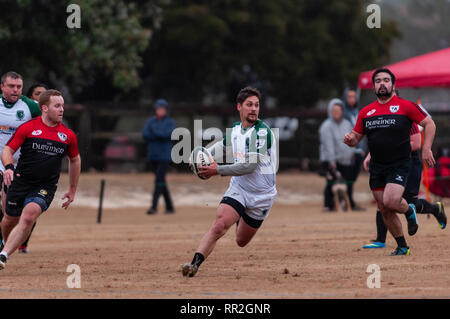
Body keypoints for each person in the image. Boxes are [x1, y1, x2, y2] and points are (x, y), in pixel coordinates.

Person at [181, 86, 277, 277]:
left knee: (241, 241)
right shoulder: (235, 129)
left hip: (262, 196)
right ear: (239, 107)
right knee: (219, 226)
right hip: (239, 188)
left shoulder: (262, 133)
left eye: (257, 105)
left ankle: (240, 214)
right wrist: (202, 155)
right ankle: (194, 265)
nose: (254, 109)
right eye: (249, 105)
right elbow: (222, 146)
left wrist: (217, 170)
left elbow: (248, 167)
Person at [344, 68, 436, 256]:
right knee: (384, 208)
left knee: (391, 200)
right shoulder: (366, 112)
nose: (382, 83)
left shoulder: (406, 106)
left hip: (399, 164)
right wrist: (350, 140)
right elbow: (356, 138)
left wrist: (426, 148)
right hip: (378, 166)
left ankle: (409, 213)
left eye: (386, 80)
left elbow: (430, 123)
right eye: (378, 81)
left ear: (393, 85)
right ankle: (402, 246)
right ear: (374, 86)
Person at [0, 89, 81, 269]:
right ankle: (5, 245)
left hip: (45, 186)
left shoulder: (67, 135)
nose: (62, 110)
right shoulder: (28, 128)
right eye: (57, 106)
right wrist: (9, 168)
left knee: (28, 216)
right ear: (44, 108)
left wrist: (72, 189)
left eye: (63, 106)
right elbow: (7, 150)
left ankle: (3, 255)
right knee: (9, 219)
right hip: (20, 181)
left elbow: (75, 159)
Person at [362, 122, 446, 248]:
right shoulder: (383, 119)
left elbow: (416, 143)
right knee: (384, 199)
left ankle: (435, 209)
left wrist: (394, 148)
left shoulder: (405, 116)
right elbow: (380, 141)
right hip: (388, 162)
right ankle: (381, 240)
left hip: (409, 162)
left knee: (407, 202)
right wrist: (371, 154)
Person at [0, 72, 42, 253]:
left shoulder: (31, 106)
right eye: (11, 86)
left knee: (11, 213)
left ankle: (6, 241)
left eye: (19, 87)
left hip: (16, 165)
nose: (15, 90)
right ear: (2, 86)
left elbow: (49, 125)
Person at [16, 83, 50, 253]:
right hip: (11, 165)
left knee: (32, 205)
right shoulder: (19, 114)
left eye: (45, 95)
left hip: (33, 167)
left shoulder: (49, 123)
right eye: (38, 94)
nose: (41, 97)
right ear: (30, 98)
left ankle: (23, 243)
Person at [319, 98, 354, 212]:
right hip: (331, 160)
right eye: (334, 111)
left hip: (345, 160)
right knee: (331, 184)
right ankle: (327, 205)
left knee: (346, 183)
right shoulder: (326, 126)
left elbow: (352, 139)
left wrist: (352, 153)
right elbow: (329, 146)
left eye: (338, 110)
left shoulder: (347, 123)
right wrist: (332, 162)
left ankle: (345, 204)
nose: (336, 113)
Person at [142, 98, 175, 215]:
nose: (160, 111)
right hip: (153, 155)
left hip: (165, 155)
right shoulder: (150, 121)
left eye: (162, 109)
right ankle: (170, 206)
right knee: (161, 181)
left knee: (158, 180)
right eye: (158, 108)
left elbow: (167, 134)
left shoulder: (170, 122)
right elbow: (146, 134)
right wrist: (159, 134)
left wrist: (155, 132)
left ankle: (154, 206)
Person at [342, 88, 366, 211]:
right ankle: (347, 201)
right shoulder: (344, 113)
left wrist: (362, 148)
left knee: (353, 177)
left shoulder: (357, 111)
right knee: (348, 176)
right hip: (349, 150)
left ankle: (349, 200)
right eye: (349, 97)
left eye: (353, 96)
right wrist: (350, 150)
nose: (352, 99)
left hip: (359, 151)